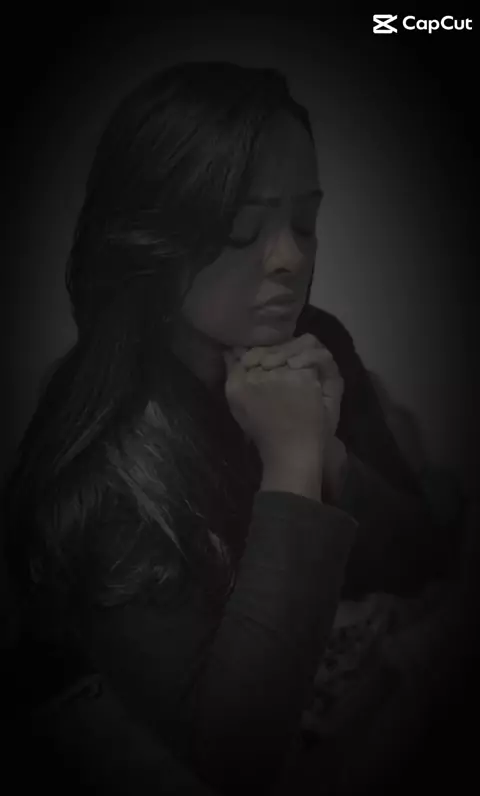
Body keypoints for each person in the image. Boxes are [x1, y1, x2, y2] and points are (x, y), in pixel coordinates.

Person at [2, 61, 464, 794]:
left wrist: (332, 459)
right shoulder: (101, 469)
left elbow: (426, 563)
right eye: (243, 228)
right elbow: (235, 760)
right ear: (153, 241)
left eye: (305, 222)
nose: (291, 259)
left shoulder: (318, 344)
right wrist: (291, 467)